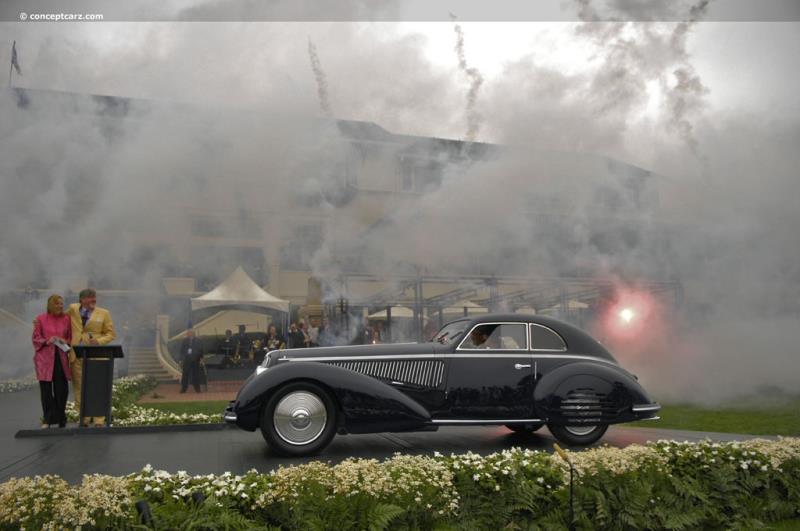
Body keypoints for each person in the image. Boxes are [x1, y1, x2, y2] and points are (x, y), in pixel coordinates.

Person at [67, 288, 115, 427]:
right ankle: (84, 418)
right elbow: (58, 318)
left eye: (94, 297)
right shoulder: (73, 309)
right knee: (79, 387)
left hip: (97, 355)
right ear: (82, 299)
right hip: (77, 354)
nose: (93, 300)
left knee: (98, 386)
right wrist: (39, 322)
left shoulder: (104, 313)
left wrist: (99, 341)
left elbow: (110, 334)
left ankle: (99, 419)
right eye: (90, 297)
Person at [32, 294, 72, 428]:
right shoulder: (40, 319)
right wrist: (47, 340)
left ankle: (61, 418)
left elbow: (71, 338)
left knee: (62, 389)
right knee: (46, 391)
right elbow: (36, 338)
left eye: (61, 303)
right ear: (50, 305)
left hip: (61, 358)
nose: (60, 306)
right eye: (57, 303)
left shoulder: (67, 319)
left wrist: (64, 340)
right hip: (44, 359)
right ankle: (48, 419)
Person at [179, 327, 204, 393]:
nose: (188, 334)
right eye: (188, 333)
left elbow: (201, 350)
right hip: (187, 360)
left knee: (196, 374)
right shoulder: (185, 340)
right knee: (185, 374)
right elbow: (182, 350)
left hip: (196, 360)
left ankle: (197, 388)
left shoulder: (198, 340)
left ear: (193, 333)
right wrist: (181, 359)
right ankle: (184, 388)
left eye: (190, 333)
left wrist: (201, 358)